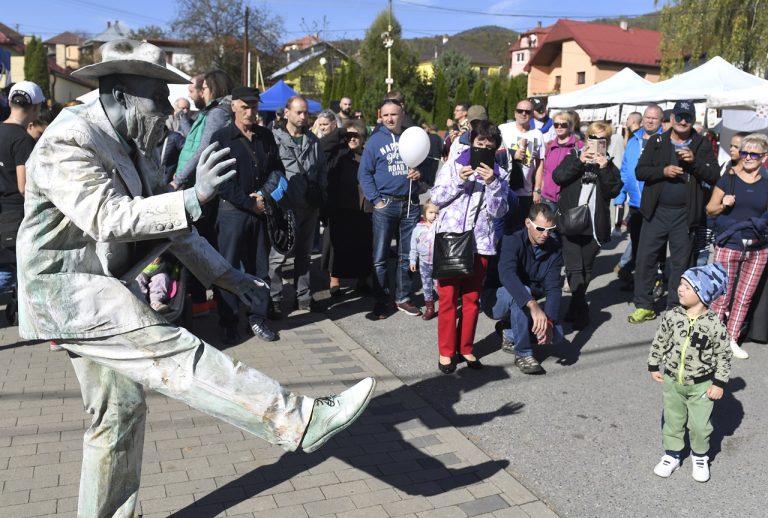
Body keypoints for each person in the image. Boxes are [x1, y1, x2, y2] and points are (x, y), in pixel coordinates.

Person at [17, 39, 375, 518]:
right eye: (157, 96)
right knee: (174, 352)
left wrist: (231, 279)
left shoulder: (129, 141)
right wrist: (193, 198)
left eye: (170, 97)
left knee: (118, 413)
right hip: (66, 289)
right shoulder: (70, 140)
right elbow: (108, 217)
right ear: (120, 94)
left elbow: (174, 229)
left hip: (97, 283)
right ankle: (300, 422)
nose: (167, 108)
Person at [629, 101, 719, 323]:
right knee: (646, 259)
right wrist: (663, 171)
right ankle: (644, 305)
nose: (682, 121)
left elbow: (714, 175)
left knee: (680, 263)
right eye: (679, 116)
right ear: (670, 119)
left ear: (692, 120)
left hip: (685, 215)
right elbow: (640, 171)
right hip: (656, 211)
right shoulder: (657, 141)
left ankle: (674, 307)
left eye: (687, 117)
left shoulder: (701, 144)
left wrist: (695, 162)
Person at [431, 121, 509, 373]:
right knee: (447, 298)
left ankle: (465, 347)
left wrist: (493, 184)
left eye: (489, 146)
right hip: (451, 240)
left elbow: (499, 212)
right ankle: (446, 351)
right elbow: (437, 198)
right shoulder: (454, 165)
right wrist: (458, 180)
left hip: (481, 244)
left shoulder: (500, 173)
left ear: (495, 149)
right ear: (471, 142)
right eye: (479, 144)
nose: (483, 149)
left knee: (472, 299)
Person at [212, 86, 283, 344]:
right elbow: (220, 181)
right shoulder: (221, 137)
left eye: (254, 107)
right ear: (233, 106)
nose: (250, 112)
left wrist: (264, 196)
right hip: (232, 214)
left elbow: (277, 171)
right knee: (227, 270)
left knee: (260, 271)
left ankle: (257, 318)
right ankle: (228, 323)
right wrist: (248, 203)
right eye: (244, 107)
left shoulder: (266, 136)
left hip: (260, 213)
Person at [647, 263, 731, 483]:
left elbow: (724, 354)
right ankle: (672, 454)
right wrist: (654, 364)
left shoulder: (715, 324)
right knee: (673, 420)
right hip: (673, 380)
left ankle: (700, 455)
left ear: (703, 294)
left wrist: (719, 383)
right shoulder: (672, 316)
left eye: (688, 286)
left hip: (702, 385)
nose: (680, 289)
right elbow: (660, 340)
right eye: (681, 284)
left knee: (700, 425)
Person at [173, 69, 235, 316]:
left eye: (203, 88)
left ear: (213, 88)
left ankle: (208, 302)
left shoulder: (218, 113)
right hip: (196, 185)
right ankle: (203, 301)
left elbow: (203, 149)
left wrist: (178, 180)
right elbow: (195, 142)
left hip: (204, 189)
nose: (199, 92)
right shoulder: (210, 113)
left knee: (200, 245)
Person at [358, 98, 424, 318]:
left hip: (410, 204)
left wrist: (419, 173)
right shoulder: (375, 141)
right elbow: (364, 174)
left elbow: (426, 164)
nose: (389, 118)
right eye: (385, 115)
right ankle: (381, 300)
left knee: (407, 255)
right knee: (380, 256)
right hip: (385, 204)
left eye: (393, 114)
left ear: (402, 114)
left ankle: (403, 298)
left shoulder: (413, 137)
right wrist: (376, 200)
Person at [553, 122, 623, 328]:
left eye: (601, 139)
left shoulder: (609, 166)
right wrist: (579, 161)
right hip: (570, 222)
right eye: (592, 137)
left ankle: (575, 306)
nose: (596, 142)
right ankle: (581, 311)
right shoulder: (573, 156)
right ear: (586, 139)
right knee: (574, 269)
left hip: (594, 224)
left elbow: (613, 191)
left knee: (587, 269)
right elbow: (558, 177)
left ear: (607, 142)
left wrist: (604, 168)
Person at [706, 133, 768, 360]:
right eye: (745, 153)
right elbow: (710, 209)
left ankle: (731, 338)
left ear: (764, 157)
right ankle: (712, 339)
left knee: (745, 297)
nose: (748, 157)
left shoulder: (767, 183)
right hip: (729, 244)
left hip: (758, 247)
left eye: (754, 154)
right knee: (722, 294)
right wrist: (723, 204)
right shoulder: (728, 180)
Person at [485, 203, 562, 375]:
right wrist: (534, 306)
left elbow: (554, 288)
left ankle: (509, 331)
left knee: (556, 335)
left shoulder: (554, 248)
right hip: (496, 298)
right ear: (528, 223)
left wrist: (549, 322)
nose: (546, 234)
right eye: (540, 228)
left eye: (550, 229)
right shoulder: (511, 239)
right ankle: (523, 354)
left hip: (526, 299)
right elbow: (507, 275)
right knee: (523, 292)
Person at [270, 96, 328, 314]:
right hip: (285, 208)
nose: (303, 117)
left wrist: (321, 190)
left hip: (309, 206)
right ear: (287, 113)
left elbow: (322, 168)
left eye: (306, 113)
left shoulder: (313, 140)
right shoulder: (274, 139)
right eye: (299, 112)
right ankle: (274, 299)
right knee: (278, 255)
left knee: (304, 255)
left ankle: (303, 298)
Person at [0, 81, 44, 293]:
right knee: (11, 272)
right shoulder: (22, 139)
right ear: (36, 108)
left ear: (9, 103)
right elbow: (23, 186)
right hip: (14, 215)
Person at [321, 119, 373, 296]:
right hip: (339, 207)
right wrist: (342, 132)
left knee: (362, 245)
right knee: (337, 247)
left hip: (363, 209)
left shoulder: (368, 155)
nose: (352, 139)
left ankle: (363, 279)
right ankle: (334, 280)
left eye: (356, 135)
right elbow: (323, 146)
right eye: (349, 136)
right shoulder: (337, 154)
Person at [615, 105, 664, 285]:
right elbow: (625, 170)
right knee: (636, 244)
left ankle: (653, 279)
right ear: (642, 119)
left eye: (654, 118)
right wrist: (620, 197)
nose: (650, 121)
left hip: (656, 205)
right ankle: (638, 280)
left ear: (660, 121)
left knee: (652, 247)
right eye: (647, 117)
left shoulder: (664, 140)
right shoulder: (634, 140)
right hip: (635, 204)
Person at [499, 99, 545, 228]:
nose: (523, 114)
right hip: (505, 189)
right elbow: (494, 154)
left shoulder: (537, 134)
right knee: (504, 230)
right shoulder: (503, 130)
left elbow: (540, 164)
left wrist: (537, 189)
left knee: (523, 229)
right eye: (520, 111)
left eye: (527, 111)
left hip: (526, 192)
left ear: (531, 114)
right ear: (515, 113)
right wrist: (513, 154)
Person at [534, 110, 583, 214]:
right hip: (547, 198)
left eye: (563, 124)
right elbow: (543, 170)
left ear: (570, 126)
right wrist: (540, 189)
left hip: (568, 199)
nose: (559, 127)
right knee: (548, 229)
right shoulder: (549, 146)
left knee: (565, 229)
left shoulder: (579, 146)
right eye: (556, 124)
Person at [409, 200, 439, 321]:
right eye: (431, 212)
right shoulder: (418, 229)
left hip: (438, 263)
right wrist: (412, 260)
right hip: (424, 263)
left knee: (439, 286)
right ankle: (430, 308)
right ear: (425, 213)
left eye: (437, 213)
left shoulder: (440, 227)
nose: (434, 215)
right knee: (426, 286)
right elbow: (413, 246)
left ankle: (447, 307)